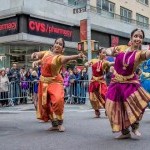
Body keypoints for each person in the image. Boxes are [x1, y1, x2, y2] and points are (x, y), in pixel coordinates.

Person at [104, 28, 150, 139]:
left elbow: (147, 54)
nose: (138, 38)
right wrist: (111, 52)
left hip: (129, 82)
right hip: (115, 83)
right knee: (112, 108)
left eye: (140, 37)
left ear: (142, 40)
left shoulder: (139, 53)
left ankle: (134, 125)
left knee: (134, 104)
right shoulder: (121, 48)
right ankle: (125, 132)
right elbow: (107, 50)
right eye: (135, 36)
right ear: (131, 37)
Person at [31, 38, 85, 132]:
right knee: (45, 104)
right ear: (54, 44)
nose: (57, 45)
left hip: (55, 82)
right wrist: (35, 58)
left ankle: (60, 123)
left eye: (60, 44)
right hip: (43, 82)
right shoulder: (47, 53)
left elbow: (67, 58)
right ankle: (54, 124)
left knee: (58, 100)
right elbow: (39, 57)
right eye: (56, 43)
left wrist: (77, 56)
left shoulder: (60, 57)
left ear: (62, 49)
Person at [85, 48, 114, 118]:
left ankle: (107, 109)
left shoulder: (105, 62)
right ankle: (97, 111)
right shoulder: (94, 60)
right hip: (93, 81)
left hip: (101, 81)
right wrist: (87, 64)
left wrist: (119, 61)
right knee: (92, 98)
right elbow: (86, 63)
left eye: (105, 53)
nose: (105, 54)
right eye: (103, 53)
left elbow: (110, 63)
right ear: (99, 53)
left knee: (104, 95)